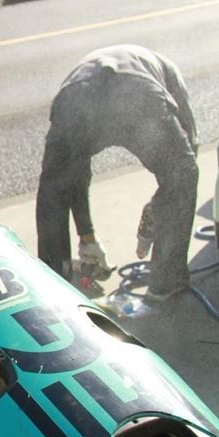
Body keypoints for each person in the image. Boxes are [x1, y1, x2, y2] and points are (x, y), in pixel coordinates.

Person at [35, 44, 199, 300]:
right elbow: (188, 152)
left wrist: (86, 237)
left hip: (76, 95)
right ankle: (167, 282)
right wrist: (164, 202)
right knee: (183, 172)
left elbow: (74, 176)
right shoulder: (169, 72)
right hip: (137, 93)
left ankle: (54, 284)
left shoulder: (96, 65)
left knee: (53, 192)